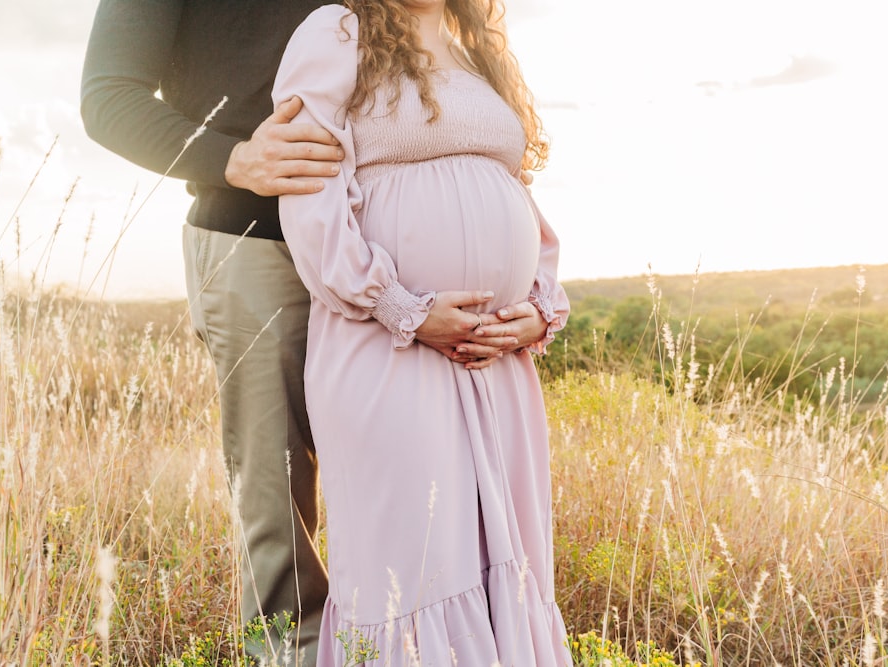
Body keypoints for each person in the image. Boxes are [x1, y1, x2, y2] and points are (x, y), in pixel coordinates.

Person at [79, 1, 551, 662]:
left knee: (415, 498)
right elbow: (108, 98)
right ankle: (289, 654)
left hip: (386, 259)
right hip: (253, 242)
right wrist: (234, 158)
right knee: (278, 492)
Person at [273, 0, 573, 664]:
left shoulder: (477, 48)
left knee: (508, 563)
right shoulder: (336, 35)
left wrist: (538, 307)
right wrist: (402, 306)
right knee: (410, 571)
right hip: (385, 346)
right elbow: (308, 195)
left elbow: (515, 193)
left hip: (497, 366)